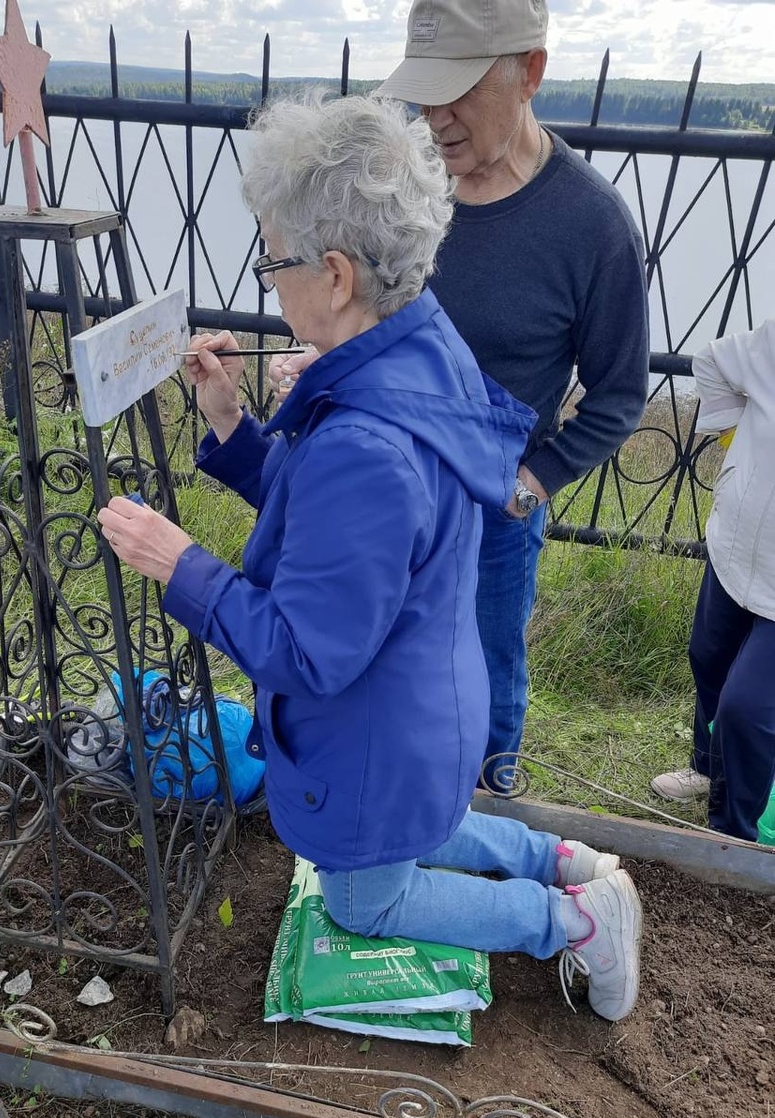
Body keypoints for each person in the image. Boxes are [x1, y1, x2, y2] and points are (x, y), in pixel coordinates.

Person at [99, 92, 643, 1021]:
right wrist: (232, 420)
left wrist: (179, 562)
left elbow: (309, 650)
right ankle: (564, 858)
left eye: (274, 258)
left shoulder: (364, 435)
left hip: (378, 732)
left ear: (338, 274)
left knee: (367, 896)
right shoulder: (422, 349)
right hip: (426, 701)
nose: (269, 280)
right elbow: (338, 528)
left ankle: (574, 922)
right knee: (424, 829)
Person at [272, 0, 650, 787]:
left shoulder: (593, 224)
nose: (435, 118)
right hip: (382, 488)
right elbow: (368, 317)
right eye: (423, 91)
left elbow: (619, 395)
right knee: (388, 667)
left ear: (530, 72)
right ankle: (398, 808)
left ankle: (491, 792)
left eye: (459, 89)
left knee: (485, 669)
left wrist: (531, 483)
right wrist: (326, 365)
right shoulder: (406, 195)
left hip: (495, 506)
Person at [651, 320, 775, 842]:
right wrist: (733, 434)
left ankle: (733, 836)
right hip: (736, 549)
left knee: (745, 709)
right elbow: (712, 361)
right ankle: (705, 768)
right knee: (709, 656)